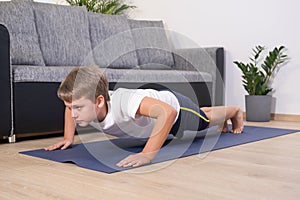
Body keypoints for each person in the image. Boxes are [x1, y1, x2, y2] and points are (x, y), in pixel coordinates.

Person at [45, 66, 244, 168]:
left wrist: (147, 154)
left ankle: (235, 111)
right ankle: (213, 110)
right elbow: (69, 109)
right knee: (201, 112)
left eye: (77, 107)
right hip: (150, 103)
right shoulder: (82, 106)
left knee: (204, 120)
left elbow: (168, 112)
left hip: (175, 107)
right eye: (70, 107)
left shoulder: (123, 103)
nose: (73, 113)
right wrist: (68, 138)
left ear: (98, 101)